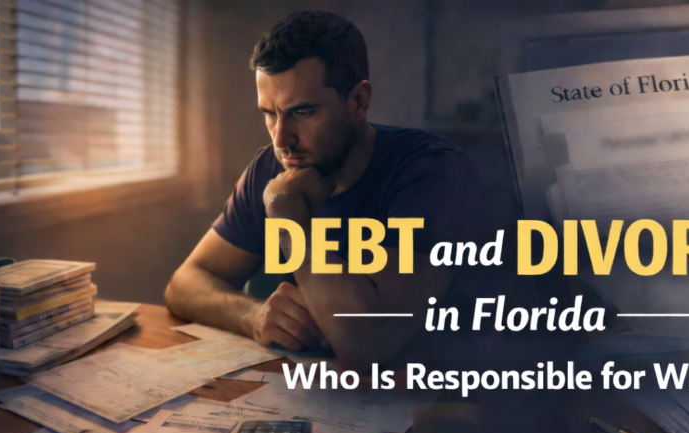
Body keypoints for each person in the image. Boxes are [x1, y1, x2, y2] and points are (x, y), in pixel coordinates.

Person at [165, 10, 489, 370]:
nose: (280, 139)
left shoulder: (433, 174)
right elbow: (185, 284)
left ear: (358, 102)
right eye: (270, 113)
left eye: (302, 112)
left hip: (433, 404)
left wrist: (291, 219)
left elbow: (368, 346)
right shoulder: (273, 168)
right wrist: (252, 316)